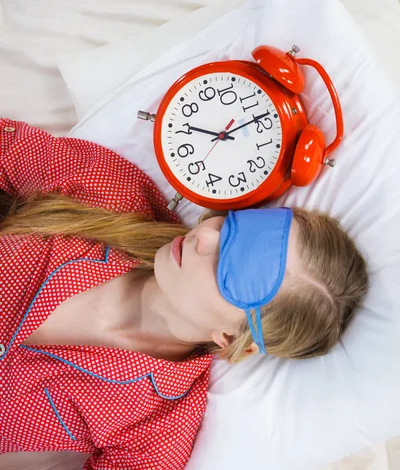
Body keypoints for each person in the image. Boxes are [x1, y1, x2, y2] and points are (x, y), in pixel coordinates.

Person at [0, 118, 368, 470]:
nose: (204, 236)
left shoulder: (155, 431)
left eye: (230, 270)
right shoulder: (112, 193)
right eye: (233, 224)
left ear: (230, 339)